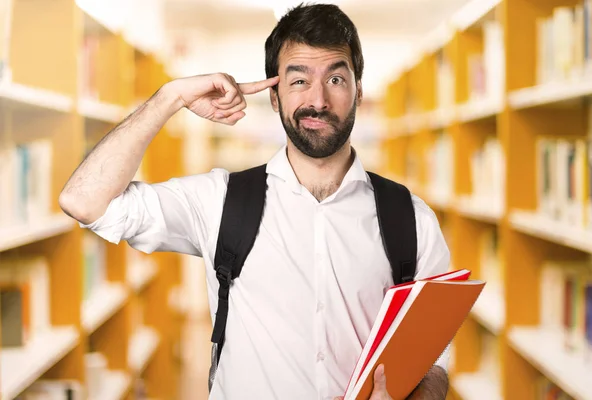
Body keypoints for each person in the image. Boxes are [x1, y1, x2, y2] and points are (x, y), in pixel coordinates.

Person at [59, 3, 452, 399]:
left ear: (359, 92)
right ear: (275, 96)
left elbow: (436, 361)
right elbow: (83, 201)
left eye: (335, 78)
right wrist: (170, 96)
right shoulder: (219, 202)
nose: (317, 100)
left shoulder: (412, 220)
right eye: (298, 81)